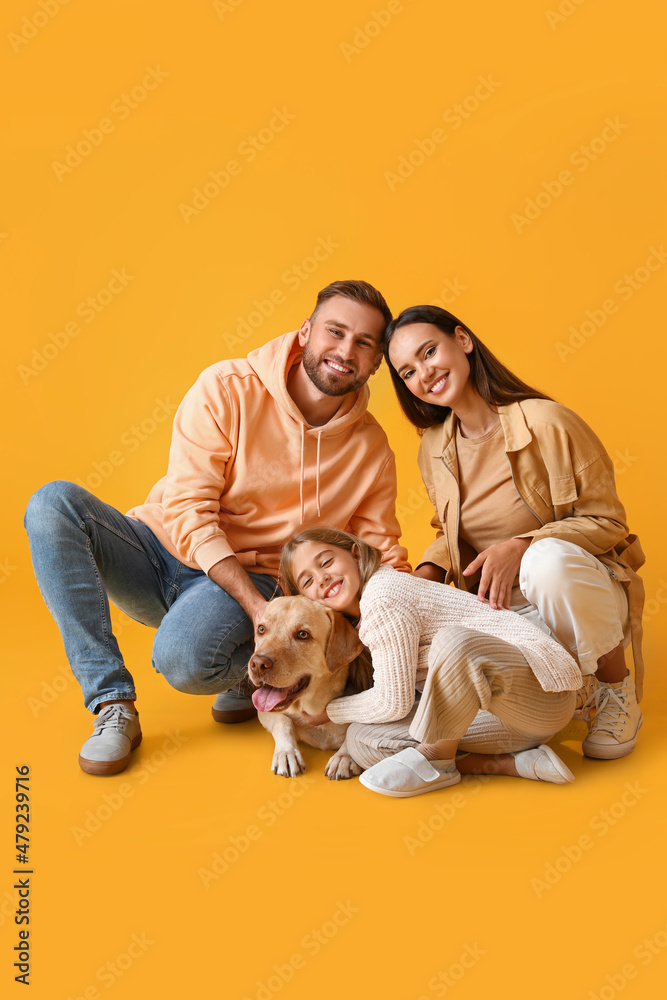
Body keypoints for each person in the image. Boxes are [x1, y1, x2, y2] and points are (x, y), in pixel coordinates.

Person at [23, 280, 410, 776]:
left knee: (185, 660)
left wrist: (422, 614)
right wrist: (258, 614)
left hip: (258, 578)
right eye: (335, 332)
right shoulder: (226, 388)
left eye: (364, 343)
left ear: (376, 362)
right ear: (306, 331)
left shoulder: (371, 450)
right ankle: (111, 703)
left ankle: (246, 674)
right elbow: (188, 504)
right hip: (163, 548)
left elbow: (378, 551)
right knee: (52, 503)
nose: (344, 351)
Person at [381, 304, 645, 760]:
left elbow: (608, 522)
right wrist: (421, 578)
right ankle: (554, 703)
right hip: (503, 614)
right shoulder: (434, 446)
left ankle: (613, 687)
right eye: (407, 371)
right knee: (390, 594)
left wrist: (522, 546)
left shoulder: (547, 422)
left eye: (429, 352)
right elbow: (449, 531)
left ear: (462, 340)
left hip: (577, 595)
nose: (424, 373)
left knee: (547, 562)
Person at [279, 527, 583, 798]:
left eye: (326, 562)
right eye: (307, 581)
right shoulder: (359, 621)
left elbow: (392, 703)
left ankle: (437, 762)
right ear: (306, 599)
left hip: (540, 698)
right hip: (499, 722)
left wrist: (330, 712)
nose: (322, 578)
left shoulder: (383, 596)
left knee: (452, 643)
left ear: (355, 554)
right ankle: (515, 763)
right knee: (362, 741)